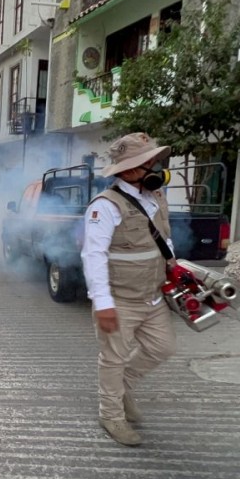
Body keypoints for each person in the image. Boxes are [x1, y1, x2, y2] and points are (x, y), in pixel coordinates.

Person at [80, 132, 177, 446]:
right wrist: (103, 303)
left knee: (162, 348)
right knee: (113, 358)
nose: (154, 166)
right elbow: (93, 255)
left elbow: (163, 236)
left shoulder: (156, 197)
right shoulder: (106, 206)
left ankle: (121, 390)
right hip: (120, 298)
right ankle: (111, 414)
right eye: (147, 162)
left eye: (153, 160)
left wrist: (173, 263)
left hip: (152, 295)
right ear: (129, 170)